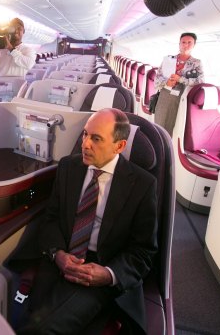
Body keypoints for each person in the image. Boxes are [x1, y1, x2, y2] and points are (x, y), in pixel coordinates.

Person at [13, 108, 158, 334]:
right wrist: (57, 254)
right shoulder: (68, 167)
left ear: (119, 146)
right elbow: (51, 218)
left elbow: (143, 252)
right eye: (85, 135)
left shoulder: (142, 185)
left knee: (44, 328)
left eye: (96, 138)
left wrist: (108, 275)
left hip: (99, 267)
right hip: (63, 258)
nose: (85, 144)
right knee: (23, 314)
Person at [154, 32, 204, 136]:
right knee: (159, 125)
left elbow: (200, 81)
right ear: (179, 43)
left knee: (174, 128)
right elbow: (157, 77)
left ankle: (168, 149)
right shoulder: (168, 59)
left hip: (182, 97)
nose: (186, 45)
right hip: (165, 94)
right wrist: (166, 81)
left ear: (194, 44)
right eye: (183, 42)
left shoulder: (196, 63)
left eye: (189, 42)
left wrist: (181, 79)